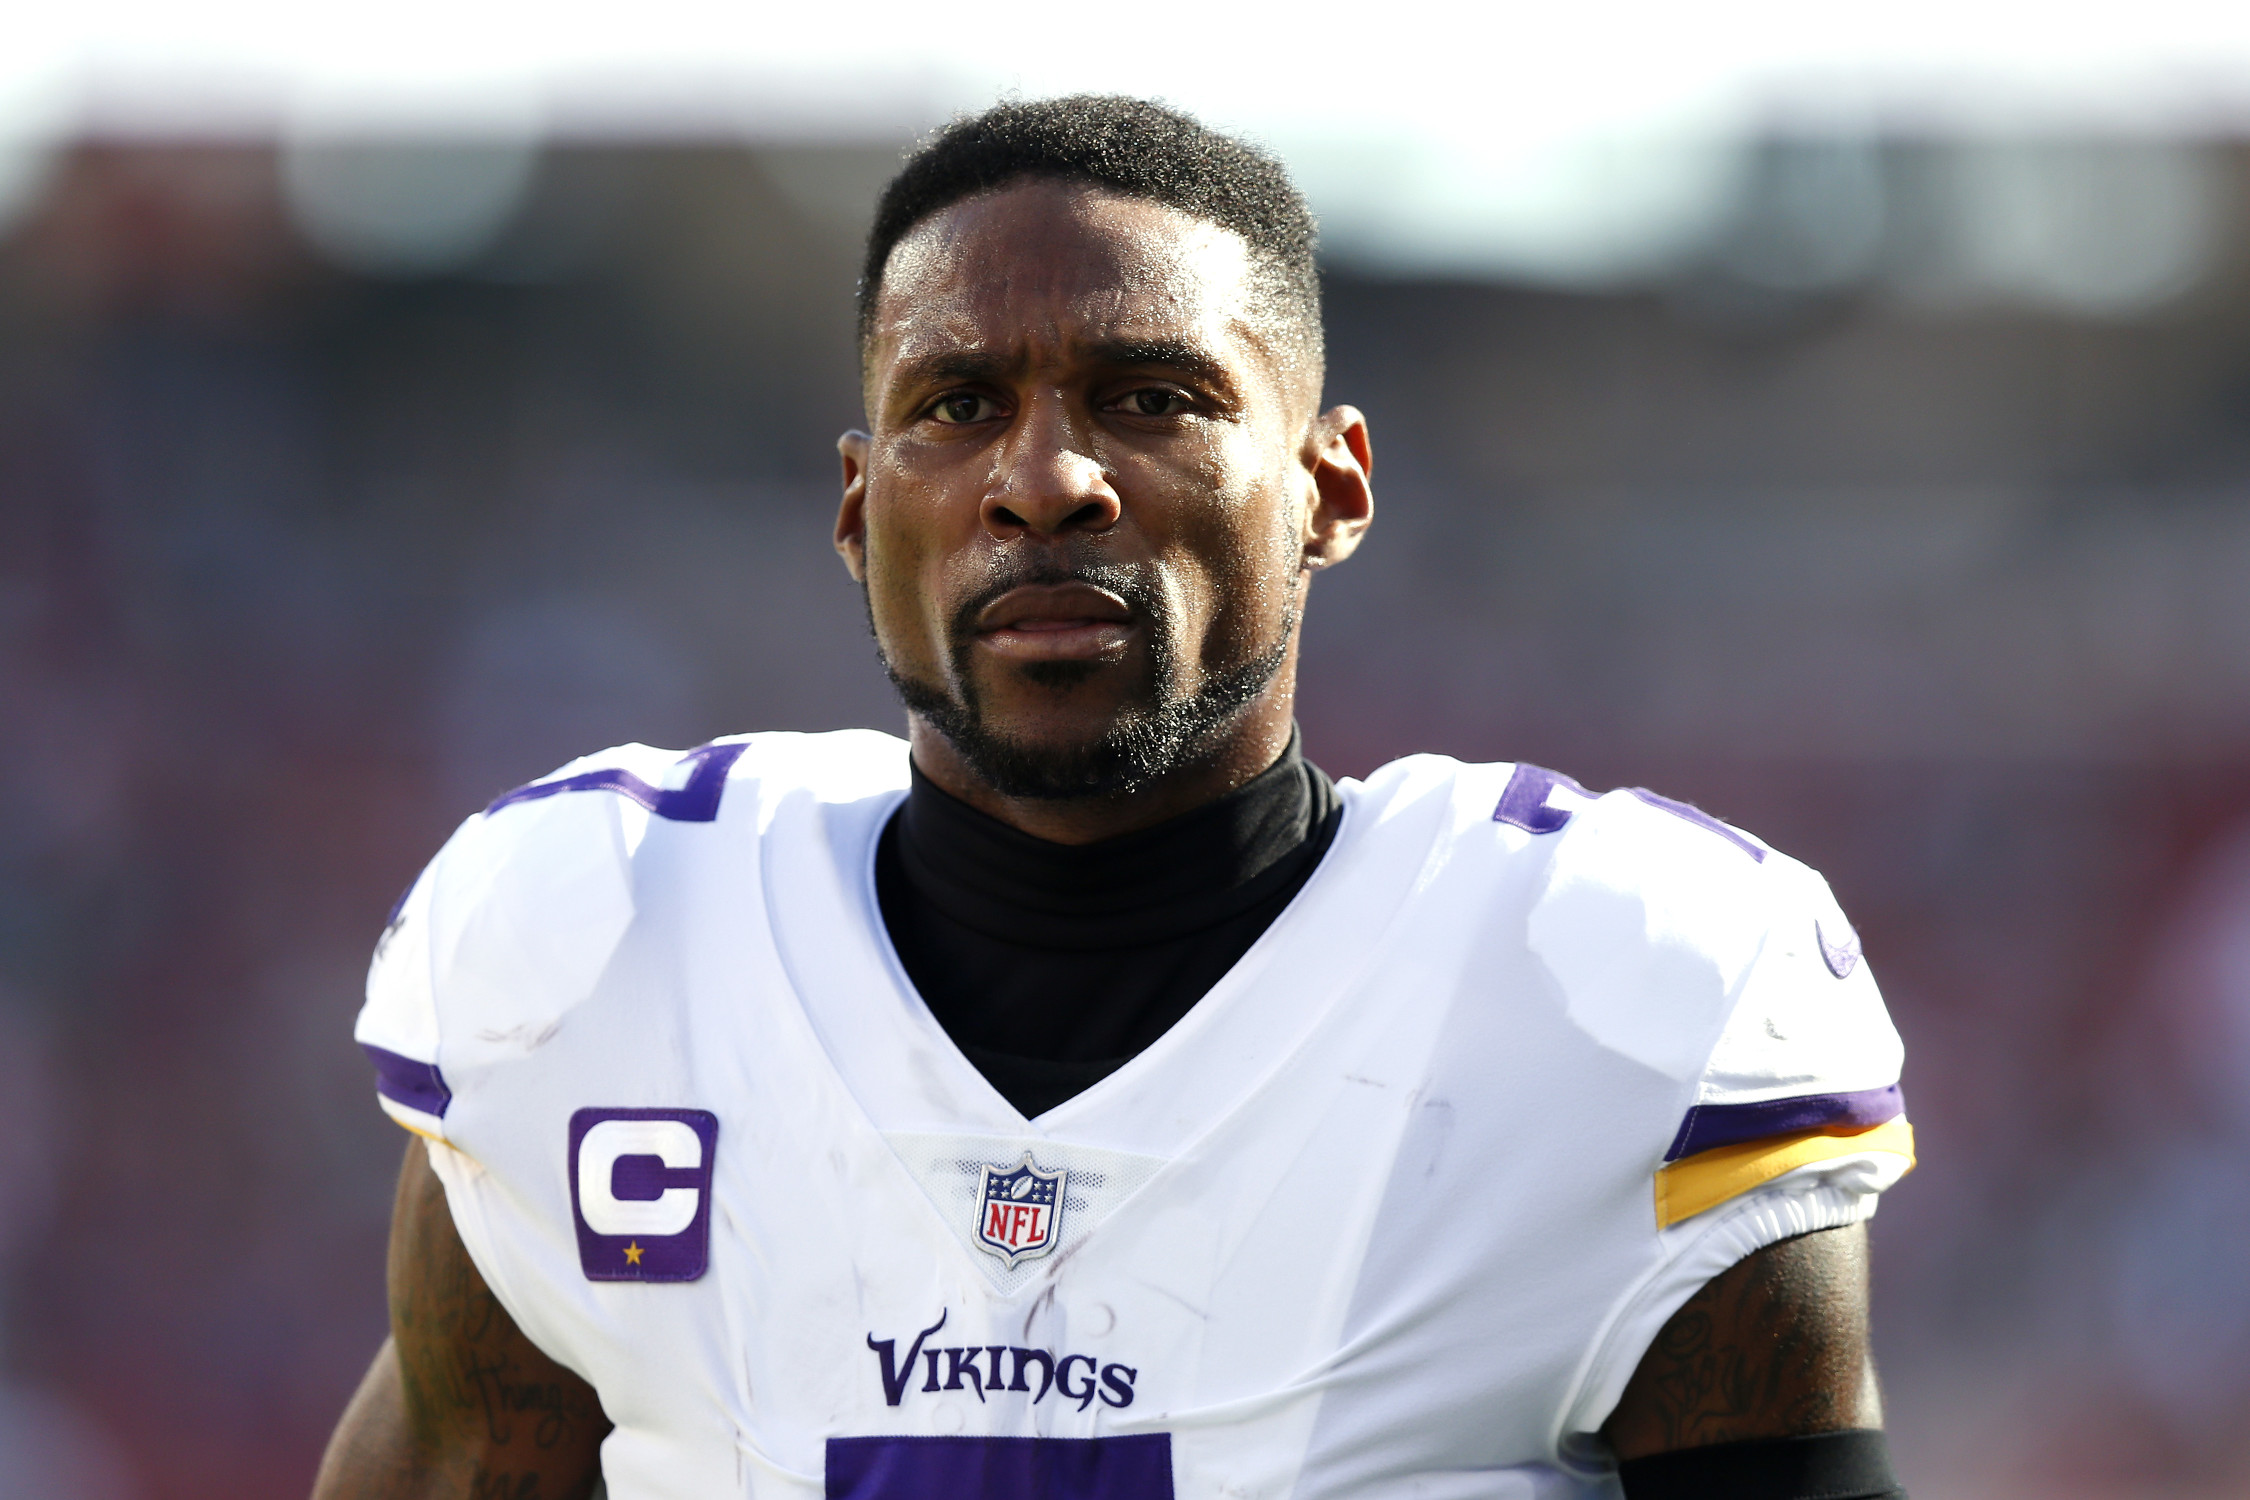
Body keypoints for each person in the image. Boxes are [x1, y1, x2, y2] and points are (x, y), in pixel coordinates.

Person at [314, 96, 1915, 1500]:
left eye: (1151, 396)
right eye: (955, 407)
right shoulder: (593, 949)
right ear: (860, 509)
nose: (1044, 478)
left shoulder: (1612, 989)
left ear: (1328, 489)